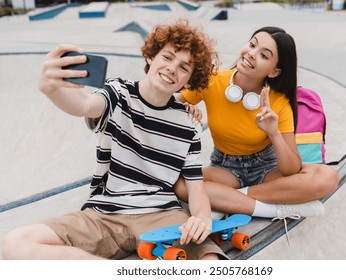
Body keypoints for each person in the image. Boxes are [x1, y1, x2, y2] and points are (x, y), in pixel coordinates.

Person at [2, 20, 228, 260]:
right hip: (105, 213)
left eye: (184, 67)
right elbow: (85, 105)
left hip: (162, 215)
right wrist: (54, 89)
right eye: (168, 57)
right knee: (16, 244)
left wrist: (201, 217)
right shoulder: (118, 93)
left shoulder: (187, 124)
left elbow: (196, 188)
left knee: (209, 262)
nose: (173, 68)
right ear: (151, 57)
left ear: (190, 81)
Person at [174, 26, 339, 222]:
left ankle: (230, 200)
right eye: (252, 44)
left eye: (263, 55)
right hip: (225, 169)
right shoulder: (213, 81)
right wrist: (183, 110)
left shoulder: (278, 102)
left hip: (267, 169)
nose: (251, 54)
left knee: (328, 176)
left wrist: (274, 133)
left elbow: (290, 169)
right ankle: (270, 209)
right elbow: (165, 105)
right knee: (180, 184)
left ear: (274, 71)